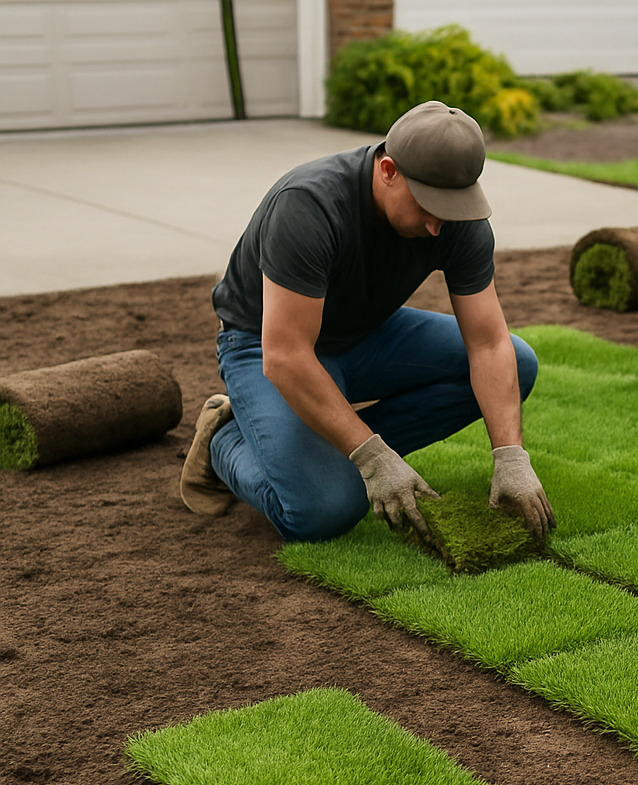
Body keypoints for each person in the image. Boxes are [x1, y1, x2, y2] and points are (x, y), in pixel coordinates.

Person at [180, 99, 554, 544]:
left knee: (519, 360)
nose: (438, 226)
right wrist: (374, 460)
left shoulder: (456, 218)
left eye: (451, 207)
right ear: (388, 170)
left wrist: (511, 456)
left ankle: (340, 452)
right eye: (428, 205)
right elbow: (286, 356)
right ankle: (225, 439)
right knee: (322, 512)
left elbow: (489, 344)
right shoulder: (309, 206)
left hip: (367, 333)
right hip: (266, 347)